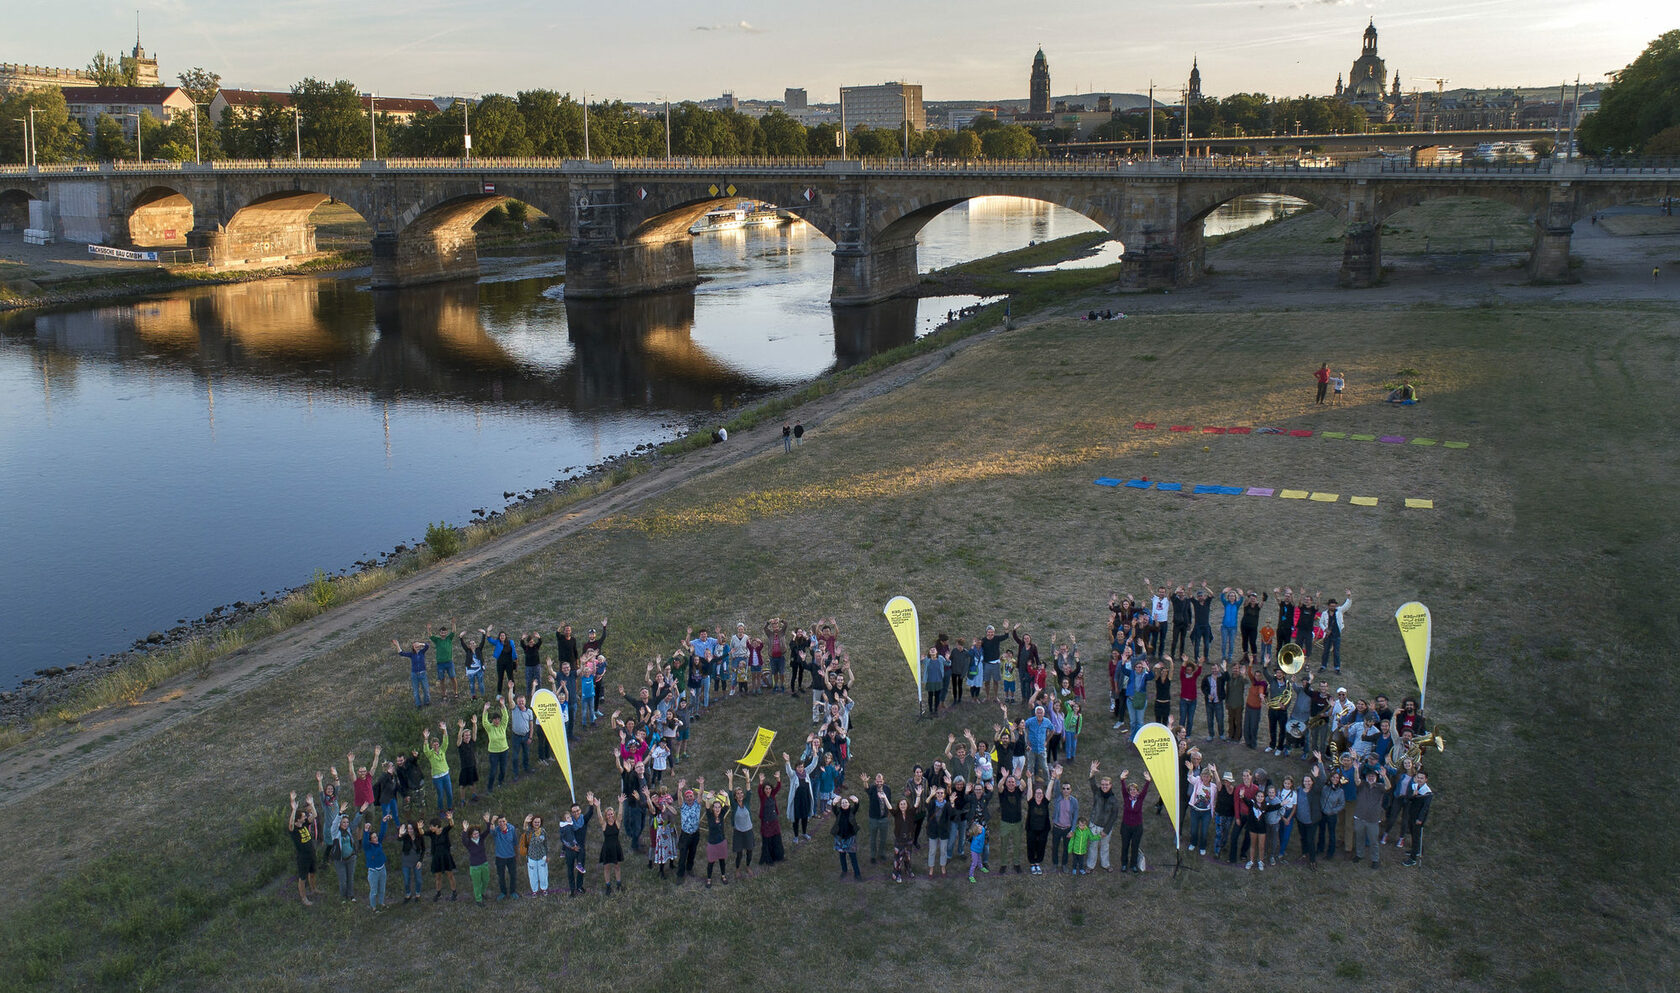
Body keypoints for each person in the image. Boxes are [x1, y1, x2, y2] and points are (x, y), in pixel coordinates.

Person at [1117, 768, 1151, 873]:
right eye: (1130, 789)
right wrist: (1122, 779)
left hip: (1137, 827)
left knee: (1135, 846)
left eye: (1134, 789)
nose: (1132, 791)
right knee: (1125, 846)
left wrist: (1148, 781)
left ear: (1137, 791)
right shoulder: (1126, 798)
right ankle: (1124, 864)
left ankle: (1133, 865)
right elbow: (1123, 788)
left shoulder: (1140, 798)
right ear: (1128, 791)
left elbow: (1145, 790)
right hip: (1126, 826)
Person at [287, 791, 318, 906]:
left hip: (311, 853)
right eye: (303, 816)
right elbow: (290, 824)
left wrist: (312, 804)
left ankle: (314, 889)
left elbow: (314, 816)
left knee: (313, 872)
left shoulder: (304, 824)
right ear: (298, 819)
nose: (305, 817)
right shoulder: (294, 830)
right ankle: (304, 898)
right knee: (302, 878)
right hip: (303, 857)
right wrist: (294, 810)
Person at [361, 812, 392, 911]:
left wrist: (384, 822)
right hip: (373, 871)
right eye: (374, 837)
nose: (376, 838)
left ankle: (381, 903)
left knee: (382, 889)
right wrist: (366, 831)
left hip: (382, 869)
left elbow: (382, 833)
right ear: (370, 840)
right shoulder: (368, 847)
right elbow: (365, 842)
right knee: (373, 891)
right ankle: (373, 907)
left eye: (376, 836)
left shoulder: (378, 843)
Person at [1403, 770, 1433, 867]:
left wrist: (1420, 819)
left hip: (1418, 818)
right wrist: (1413, 795)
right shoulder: (1415, 787)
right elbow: (1408, 799)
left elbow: (1425, 808)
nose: (1419, 780)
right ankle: (1416, 850)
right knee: (1412, 833)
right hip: (1412, 814)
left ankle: (1413, 859)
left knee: (1416, 836)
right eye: (1418, 777)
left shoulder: (1428, 793)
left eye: (1422, 778)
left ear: (1426, 779)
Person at [427, 811, 458, 901]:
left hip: (446, 857)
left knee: (450, 875)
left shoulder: (444, 831)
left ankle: (454, 892)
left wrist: (450, 818)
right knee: (438, 876)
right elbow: (422, 832)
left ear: (436, 826)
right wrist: (420, 828)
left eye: (431, 826)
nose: (430, 828)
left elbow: (451, 825)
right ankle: (438, 893)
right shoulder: (431, 834)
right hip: (436, 857)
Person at [832, 793, 863, 880]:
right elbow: (834, 808)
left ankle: (857, 874)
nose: (844, 804)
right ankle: (844, 871)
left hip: (850, 837)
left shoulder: (852, 811)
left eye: (846, 802)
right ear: (840, 805)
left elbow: (856, 806)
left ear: (849, 804)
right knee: (842, 856)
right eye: (842, 803)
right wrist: (834, 802)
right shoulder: (838, 812)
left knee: (853, 856)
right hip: (840, 837)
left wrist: (856, 801)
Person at [392, 639, 430, 708]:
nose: (416, 646)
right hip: (414, 674)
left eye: (417, 645)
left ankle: (427, 702)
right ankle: (418, 705)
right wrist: (397, 645)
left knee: (426, 689)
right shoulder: (411, 654)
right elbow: (401, 653)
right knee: (416, 691)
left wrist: (420, 643)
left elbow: (427, 646)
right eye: (415, 645)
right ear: (413, 647)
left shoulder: (422, 652)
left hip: (423, 674)